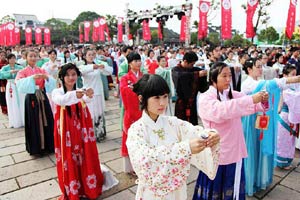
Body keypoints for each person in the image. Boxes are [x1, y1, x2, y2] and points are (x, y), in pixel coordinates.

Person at [126, 74, 220, 200]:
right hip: (152, 194)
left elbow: (194, 132)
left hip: (177, 191)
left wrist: (210, 136)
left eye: (165, 97)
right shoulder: (136, 130)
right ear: (142, 99)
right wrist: (185, 149)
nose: (162, 103)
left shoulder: (172, 123)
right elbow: (144, 160)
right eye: (156, 98)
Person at [193, 62, 269, 200]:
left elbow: (252, 106)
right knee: (214, 188)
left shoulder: (231, 94)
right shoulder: (205, 98)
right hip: (217, 151)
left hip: (235, 148)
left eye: (230, 76)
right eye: (224, 76)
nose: (228, 79)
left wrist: (262, 100)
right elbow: (223, 111)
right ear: (213, 78)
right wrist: (251, 99)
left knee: (233, 186)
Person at [52, 63, 118, 200]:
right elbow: (61, 100)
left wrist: (88, 94)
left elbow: (86, 99)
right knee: (70, 155)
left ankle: (86, 185)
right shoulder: (58, 92)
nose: (71, 78)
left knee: (84, 152)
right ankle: (73, 187)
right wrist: (77, 94)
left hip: (82, 128)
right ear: (62, 77)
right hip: (67, 130)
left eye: (73, 74)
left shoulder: (80, 90)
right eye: (68, 75)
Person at [241, 58, 300, 196]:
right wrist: (294, 79)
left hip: (261, 120)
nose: (261, 69)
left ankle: (260, 179)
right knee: (252, 150)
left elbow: (277, 86)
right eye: (258, 66)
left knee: (261, 150)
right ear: (249, 69)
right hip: (251, 120)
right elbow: (273, 84)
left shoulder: (258, 82)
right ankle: (250, 181)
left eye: (262, 66)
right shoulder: (248, 84)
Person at [15, 50, 56, 155]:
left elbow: (52, 81)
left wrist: (46, 78)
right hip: (32, 97)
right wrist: (31, 78)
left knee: (47, 119)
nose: (33, 58)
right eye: (31, 56)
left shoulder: (41, 70)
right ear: (26, 57)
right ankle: (36, 148)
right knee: (34, 121)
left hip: (42, 96)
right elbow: (18, 83)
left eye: (35, 56)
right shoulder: (22, 71)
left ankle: (49, 146)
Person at [78, 49, 112, 142]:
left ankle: (100, 133)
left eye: (93, 54)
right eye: (89, 54)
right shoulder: (82, 66)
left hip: (98, 92)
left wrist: (103, 67)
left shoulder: (98, 65)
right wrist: (94, 66)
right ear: (84, 56)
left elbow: (109, 71)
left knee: (99, 113)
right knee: (90, 114)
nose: (91, 56)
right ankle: (90, 134)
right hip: (88, 93)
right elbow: (82, 71)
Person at [119, 52, 143, 174]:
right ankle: (131, 167)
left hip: (142, 111)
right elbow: (123, 91)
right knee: (131, 137)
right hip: (131, 111)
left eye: (139, 60)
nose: (138, 63)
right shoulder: (125, 78)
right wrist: (134, 90)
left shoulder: (143, 76)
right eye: (135, 61)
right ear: (129, 63)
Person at [172, 51, 208, 125]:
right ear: (185, 61)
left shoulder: (194, 70)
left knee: (193, 125)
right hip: (181, 103)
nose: (193, 66)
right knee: (180, 125)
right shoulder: (176, 70)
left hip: (192, 102)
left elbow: (203, 87)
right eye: (192, 64)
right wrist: (197, 75)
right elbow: (180, 77)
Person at [276, 64, 300, 170]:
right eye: (292, 74)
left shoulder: (296, 85)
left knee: (290, 141)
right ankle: (281, 161)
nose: (295, 76)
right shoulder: (282, 85)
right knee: (282, 140)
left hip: (293, 116)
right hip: (285, 116)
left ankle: (288, 160)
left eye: (296, 74)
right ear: (285, 75)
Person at [0, 54, 24, 128]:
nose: (12, 60)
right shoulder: (5, 68)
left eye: (14, 58)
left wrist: (18, 72)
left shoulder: (19, 67)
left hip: (18, 84)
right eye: (10, 59)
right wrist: (10, 72)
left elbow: (24, 72)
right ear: (8, 60)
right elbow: (1, 74)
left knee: (21, 101)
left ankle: (22, 120)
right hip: (10, 85)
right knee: (11, 102)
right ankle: (14, 121)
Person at [0, 50, 8, 115]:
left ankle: (8, 108)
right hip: (1, 83)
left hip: (8, 82)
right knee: (2, 95)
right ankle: (4, 108)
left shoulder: (8, 63)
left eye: (4, 55)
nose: (3, 56)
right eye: (1, 55)